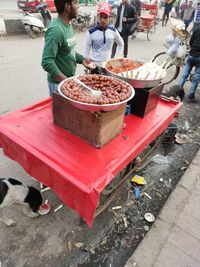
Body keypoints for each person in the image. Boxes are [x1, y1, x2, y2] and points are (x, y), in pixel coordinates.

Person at [41, 0, 91, 95]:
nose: (78, 6)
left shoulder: (68, 25)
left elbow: (68, 51)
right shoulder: (55, 30)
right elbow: (47, 62)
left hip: (68, 81)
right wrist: (66, 81)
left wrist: (82, 59)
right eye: (75, 3)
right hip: (58, 85)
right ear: (68, 6)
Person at [83, 2, 124, 73]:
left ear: (109, 17)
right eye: (101, 16)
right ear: (97, 16)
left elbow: (121, 44)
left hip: (109, 66)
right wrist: (87, 65)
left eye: (105, 17)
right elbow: (86, 51)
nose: (102, 20)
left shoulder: (113, 30)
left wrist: (116, 58)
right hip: (94, 66)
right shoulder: (91, 32)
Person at [178, 27, 200, 102]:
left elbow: (191, 41)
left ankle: (178, 92)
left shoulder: (197, 28)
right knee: (196, 78)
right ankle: (190, 96)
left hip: (191, 55)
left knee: (184, 75)